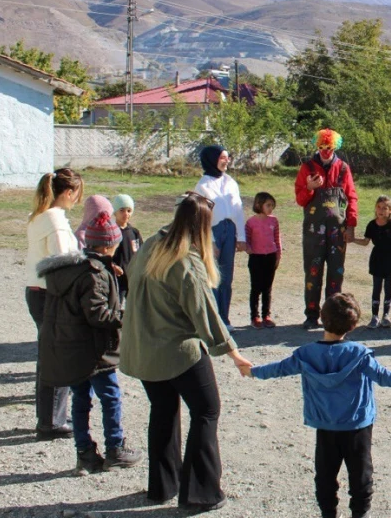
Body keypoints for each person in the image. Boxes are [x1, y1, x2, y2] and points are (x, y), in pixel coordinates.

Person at [121, 191, 253, 511]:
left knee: (164, 411)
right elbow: (205, 311)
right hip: (178, 352)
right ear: (202, 226)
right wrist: (233, 353)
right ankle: (200, 492)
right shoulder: (185, 260)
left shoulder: (152, 243)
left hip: (143, 351)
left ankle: (162, 486)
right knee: (207, 411)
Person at [243, 293, 391, 518]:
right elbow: (383, 377)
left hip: (325, 424)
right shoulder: (359, 354)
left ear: (322, 318)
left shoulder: (305, 354)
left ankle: (328, 513)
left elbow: (277, 369)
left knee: (325, 476)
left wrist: (252, 371)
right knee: (361, 476)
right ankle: (359, 514)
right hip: (357, 426)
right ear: (352, 325)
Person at [37, 212, 143, 475]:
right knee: (111, 397)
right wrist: (128, 316)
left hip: (72, 348)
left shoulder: (73, 268)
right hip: (96, 350)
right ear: (108, 245)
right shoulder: (94, 274)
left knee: (81, 399)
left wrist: (111, 272)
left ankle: (84, 454)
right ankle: (115, 448)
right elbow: (98, 314)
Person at [26, 168, 83, 440]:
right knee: (57, 357)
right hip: (52, 295)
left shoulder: (39, 216)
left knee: (48, 355)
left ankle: (50, 416)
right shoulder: (56, 221)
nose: (77, 200)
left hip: (37, 292)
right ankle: (51, 420)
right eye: (77, 194)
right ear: (68, 193)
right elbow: (63, 265)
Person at [295, 129, 359, 330]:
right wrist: (310, 188)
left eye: (328, 148)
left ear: (335, 147)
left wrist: (351, 224)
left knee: (336, 273)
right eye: (321, 147)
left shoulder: (342, 168)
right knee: (313, 272)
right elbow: (299, 199)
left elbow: (352, 196)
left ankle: (331, 316)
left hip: (337, 231)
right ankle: (311, 314)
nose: (324, 151)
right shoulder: (307, 167)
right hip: (314, 231)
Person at [193, 145, 246, 329]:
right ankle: (214, 320)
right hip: (213, 232)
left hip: (230, 231)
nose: (227, 160)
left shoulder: (231, 182)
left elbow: (238, 210)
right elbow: (201, 217)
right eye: (222, 157)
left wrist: (241, 236)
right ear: (212, 160)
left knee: (227, 276)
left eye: (227, 157)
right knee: (213, 275)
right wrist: (210, 242)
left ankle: (225, 317)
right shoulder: (203, 185)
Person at [351, 196, 391, 329]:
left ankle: (386, 315)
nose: (381, 210)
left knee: (388, 287)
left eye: (385, 208)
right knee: (376, 287)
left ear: (390, 211)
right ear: (375, 208)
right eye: (379, 207)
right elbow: (365, 242)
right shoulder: (371, 225)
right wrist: (352, 240)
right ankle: (374, 316)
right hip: (377, 258)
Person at [245, 192, 281, 329]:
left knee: (267, 288)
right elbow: (247, 239)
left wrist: (278, 256)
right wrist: (247, 247)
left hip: (270, 257)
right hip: (256, 258)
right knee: (256, 288)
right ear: (259, 205)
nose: (271, 208)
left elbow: (277, 239)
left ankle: (266, 315)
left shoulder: (274, 221)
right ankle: (255, 316)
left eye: (272, 205)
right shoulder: (251, 222)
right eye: (268, 205)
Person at [111, 194, 142, 303]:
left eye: (129, 211)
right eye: (122, 210)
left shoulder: (134, 232)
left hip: (132, 277)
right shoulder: (111, 232)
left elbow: (140, 253)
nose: (126, 214)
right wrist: (113, 266)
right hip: (118, 278)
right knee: (118, 305)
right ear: (115, 212)